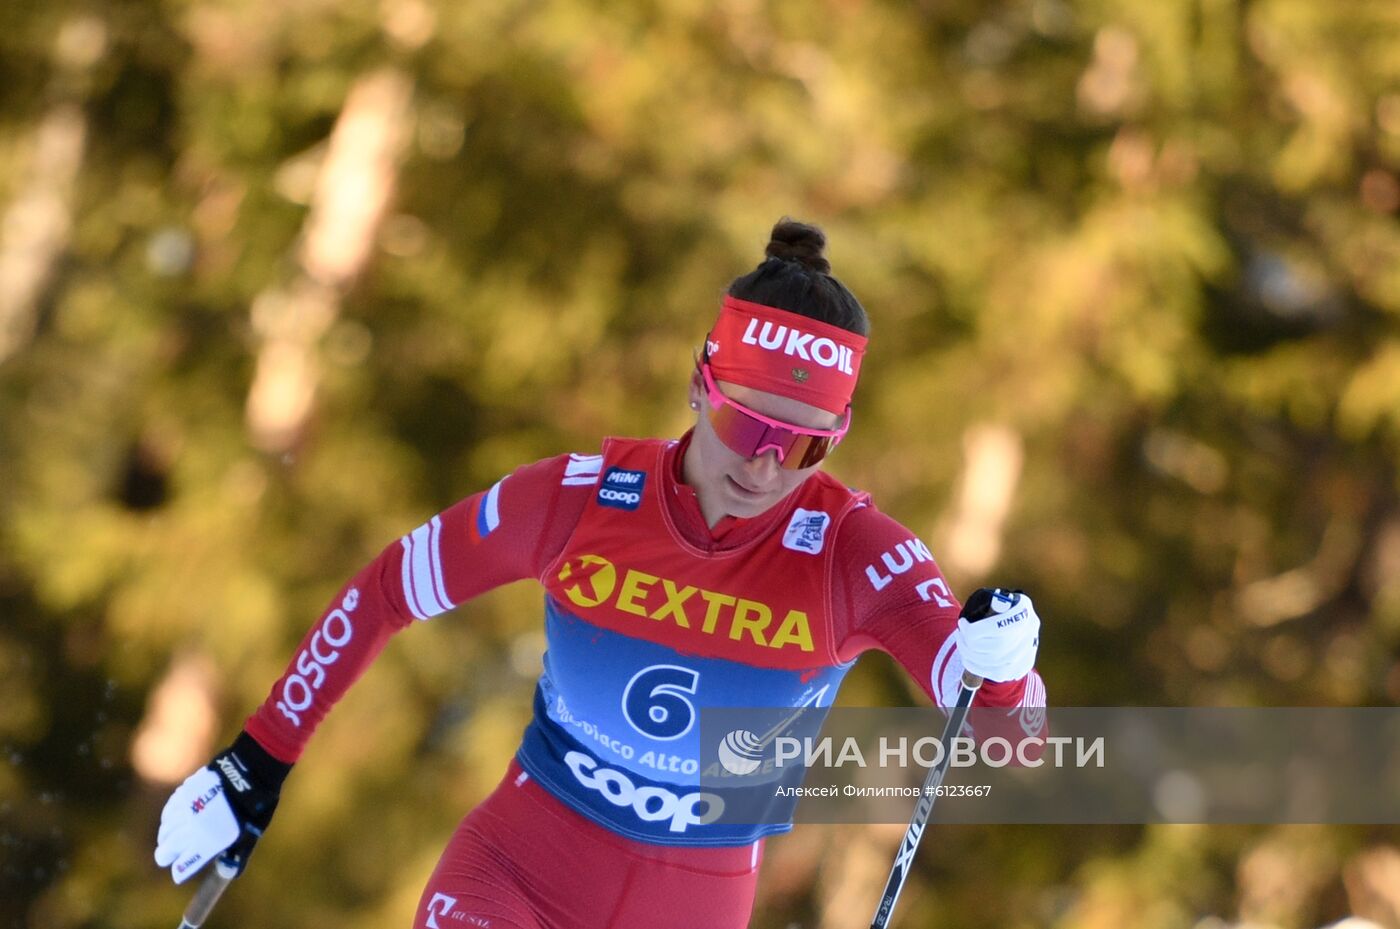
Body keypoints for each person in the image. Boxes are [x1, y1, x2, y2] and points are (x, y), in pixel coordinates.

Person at [154, 218, 1046, 928]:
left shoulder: (857, 554)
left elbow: (1014, 738)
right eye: (748, 427)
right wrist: (255, 762)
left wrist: (1006, 670)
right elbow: (389, 589)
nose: (769, 465)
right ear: (701, 385)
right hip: (516, 872)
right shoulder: (580, 502)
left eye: (805, 443)